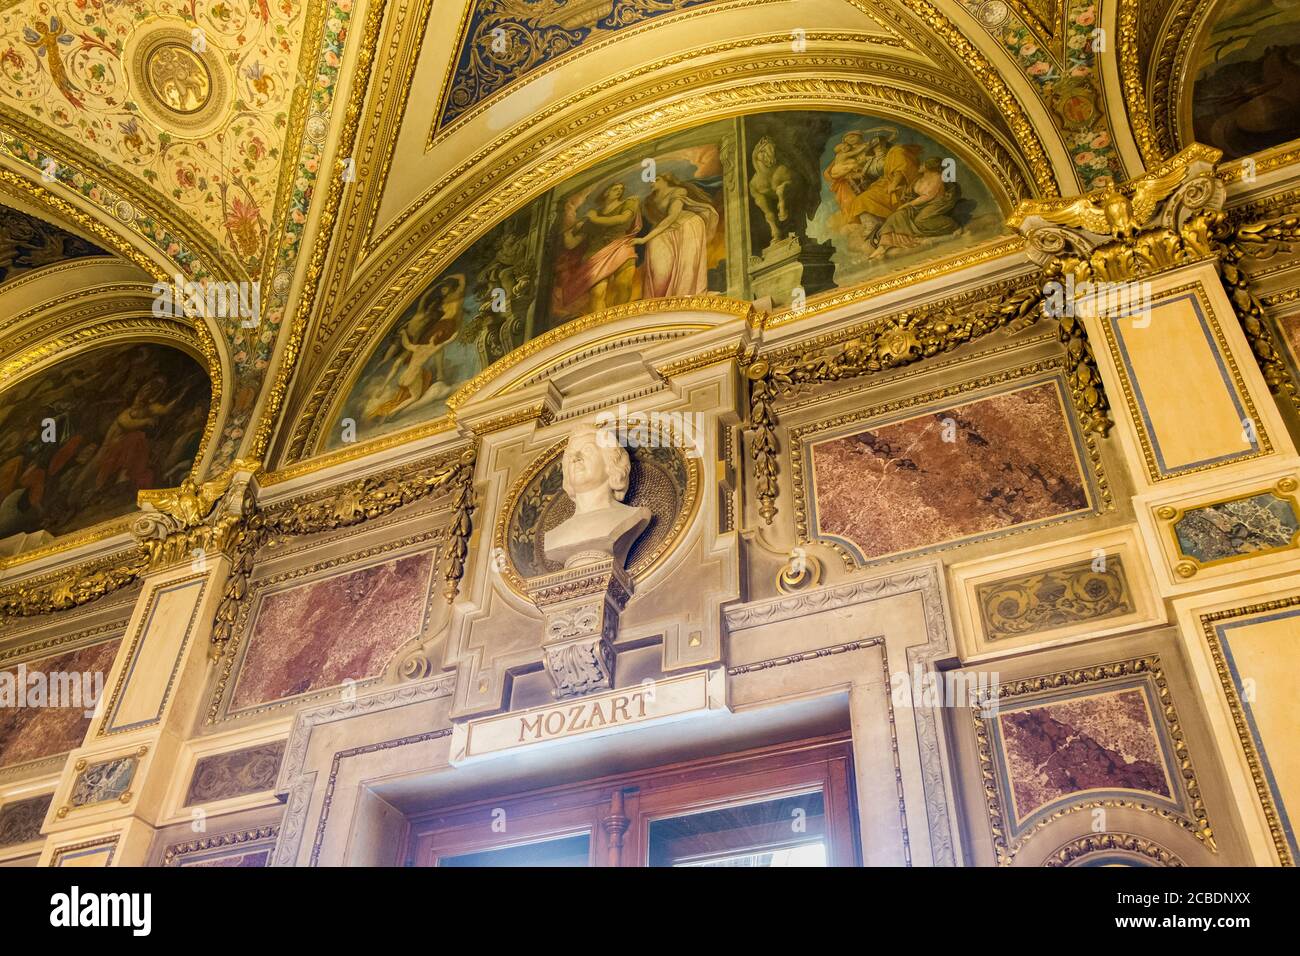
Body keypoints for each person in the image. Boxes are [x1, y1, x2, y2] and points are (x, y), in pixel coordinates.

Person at [552, 182, 641, 316]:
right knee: (597, 293)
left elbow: (622, 219)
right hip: (595, 254)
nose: (619, 191)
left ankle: (621, 318)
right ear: (606, 192)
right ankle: (603, 324)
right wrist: (566, 234)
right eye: (615, 188)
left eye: (621, 189)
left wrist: (594, 218)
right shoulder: (591, 218)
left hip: (619, 247)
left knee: (623, 284)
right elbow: (573, 243)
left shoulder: (628, 204)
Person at [632, 173, 719, 299]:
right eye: (651, 181)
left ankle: (684, 297)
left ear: (666, 180)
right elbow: (656, 220)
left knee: (687, 264)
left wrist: (644, 239)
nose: (652, 183)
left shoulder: (678, 191)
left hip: (687, 225)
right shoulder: (650, 200)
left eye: (657, 179)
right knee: (659, 271)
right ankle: (658, 301)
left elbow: (672, 216)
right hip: (664, 229)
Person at [871, 157, 962, 259]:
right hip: (921, 204)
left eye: (923, 164)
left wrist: (907, 205)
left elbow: (927, 197)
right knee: (897, 215)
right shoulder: (921, 178)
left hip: (937, 203)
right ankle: (882, 246)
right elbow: (913, 192)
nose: (920, 166)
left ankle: (953, 226)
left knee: (920, 220)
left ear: (929, 167)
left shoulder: (937, 178)